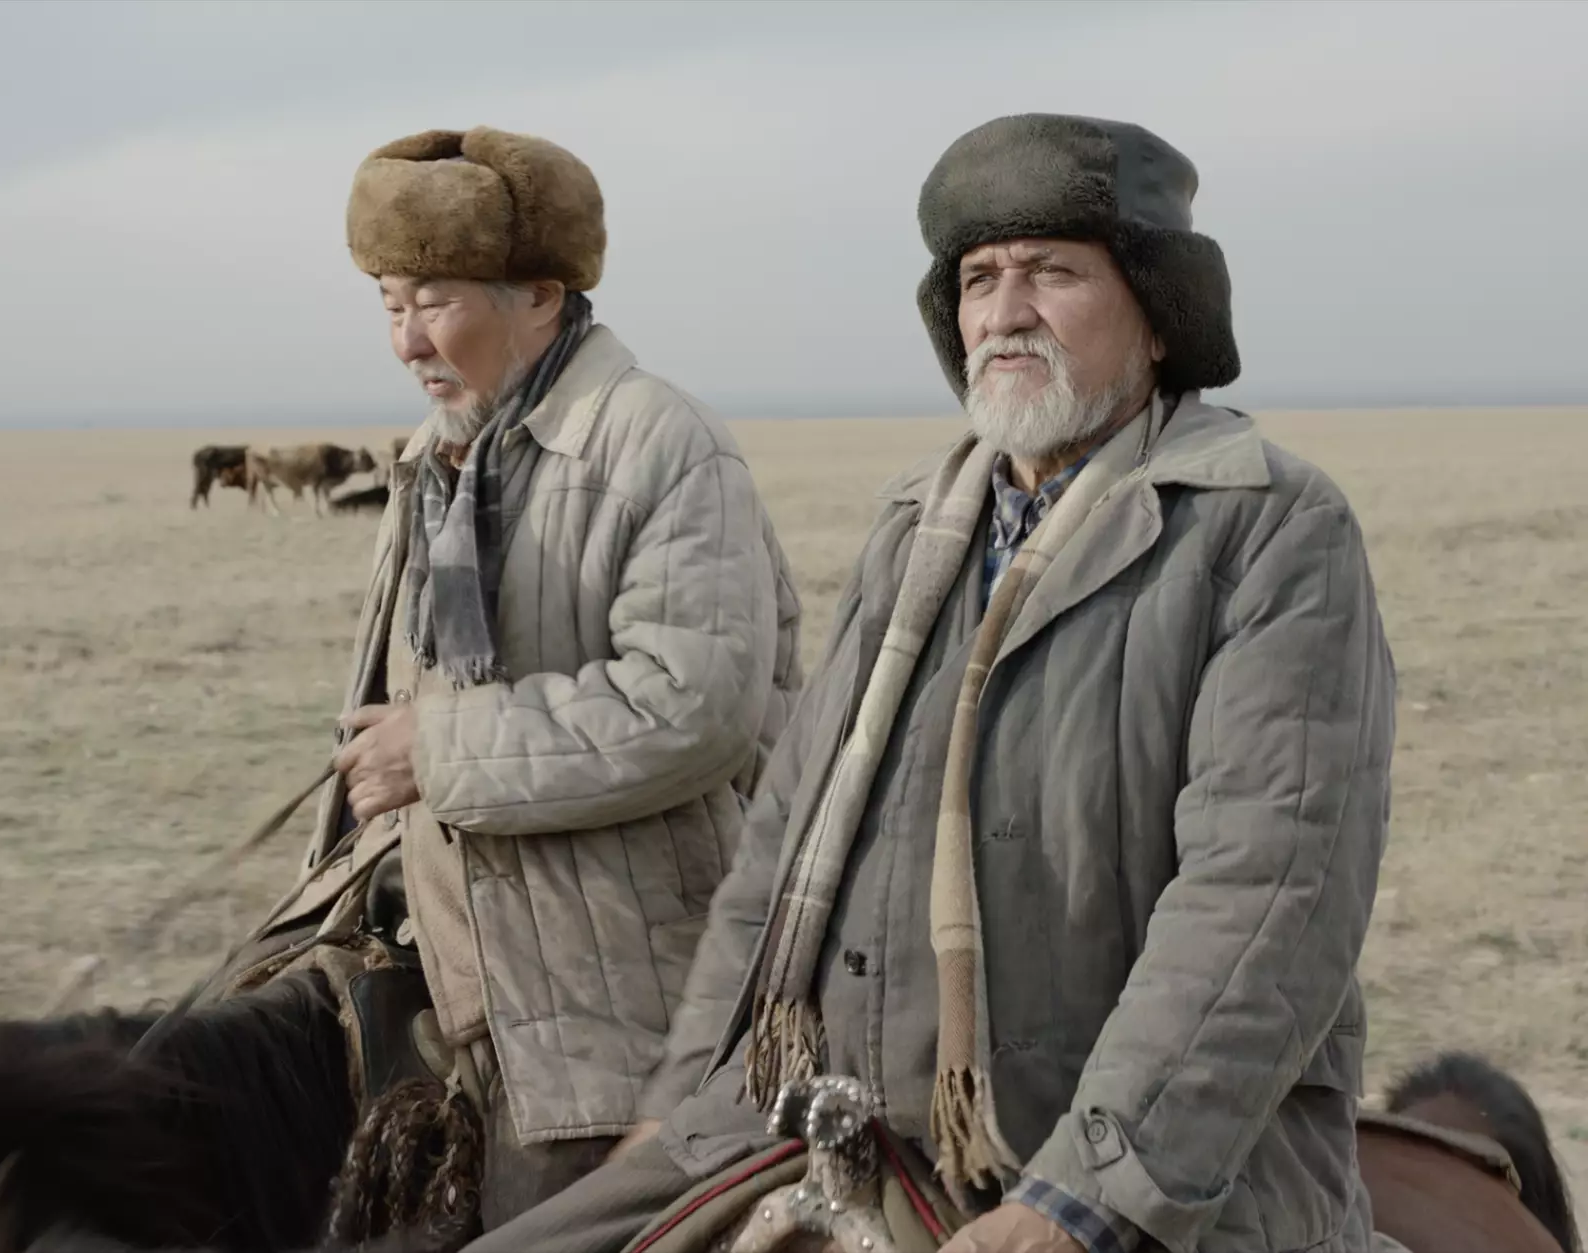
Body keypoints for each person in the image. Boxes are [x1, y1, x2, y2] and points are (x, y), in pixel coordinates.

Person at [465, 113, 1396, 1253]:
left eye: (1053, 272)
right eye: (979, 279)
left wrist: (1080, 1199)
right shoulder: (918, 530)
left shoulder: (1267, 527)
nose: (1006, 312)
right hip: (823, 1114)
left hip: (1093, 1153)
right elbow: (780, 846)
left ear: (1158, 317)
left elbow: (1264, 899)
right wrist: (682, 1094)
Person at [199, 126, 803, 1237]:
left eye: (433, 301)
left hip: (610, 1012)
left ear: (540, 295)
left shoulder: (661, 445)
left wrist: (434, 751)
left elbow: (693, 708)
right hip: (457, 977)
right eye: (389, 305)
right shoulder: (438, 456)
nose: (405, 340)